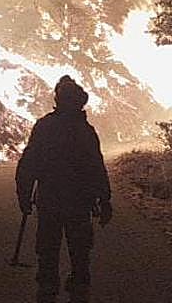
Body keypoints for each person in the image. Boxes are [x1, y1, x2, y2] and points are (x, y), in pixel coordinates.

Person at [15, 75, 112, 303]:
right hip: (79, 200)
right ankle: (79, 283)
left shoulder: (44, 127)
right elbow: (97, 167)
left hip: (50, 199)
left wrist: (24, 195)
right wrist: (104, 200)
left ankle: (48, 285)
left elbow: (29, 163)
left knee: (48, 246)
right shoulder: (85, 130)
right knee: (79, 247)